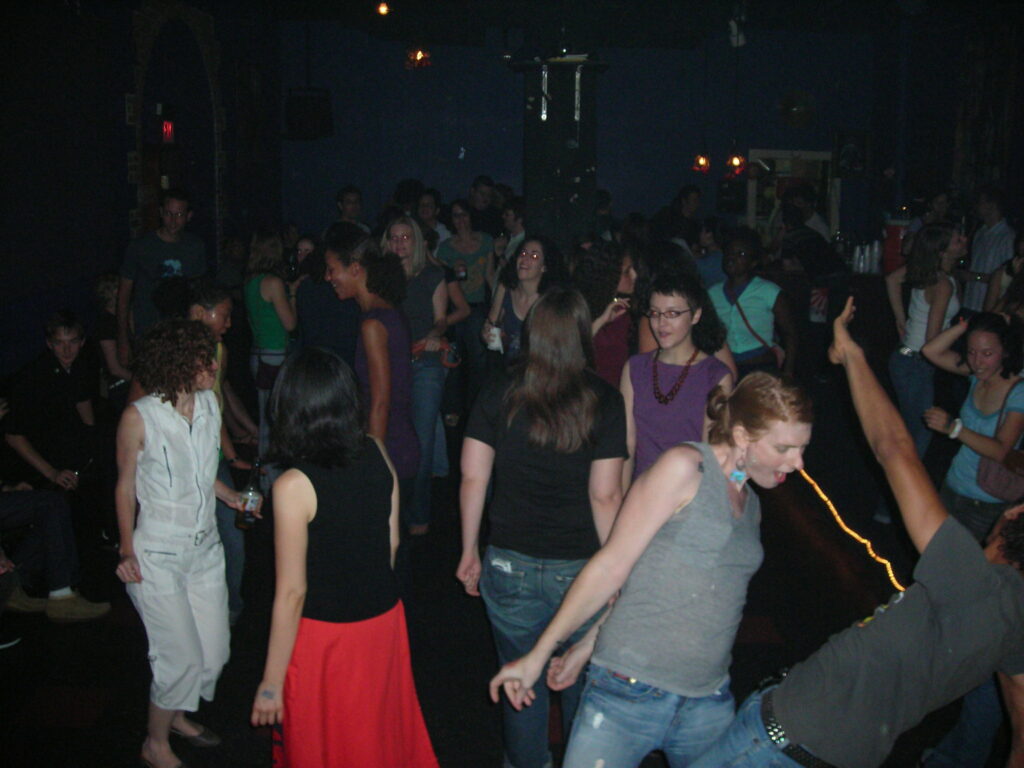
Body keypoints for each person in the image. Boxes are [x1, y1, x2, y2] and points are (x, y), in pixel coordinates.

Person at [687, 298, 1024, 768]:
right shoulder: (1017, 627)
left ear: (1009, 519)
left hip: (782, 738)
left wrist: (852, 356)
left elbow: (895, 449)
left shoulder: (972, 580)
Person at [489, 370, 812, 768]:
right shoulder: (684, 467)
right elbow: (613, 564)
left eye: (801, 449)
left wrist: (587, 642)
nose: (797, 463)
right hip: (628, 691)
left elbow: (655, 578)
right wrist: (539, 655)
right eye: (784, 448)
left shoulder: (752, 505)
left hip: (707, 699)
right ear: (743, 436)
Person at [457, 288, 628, 768]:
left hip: (509, 562)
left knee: (519, 678)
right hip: (580, 571)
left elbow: (473, 476)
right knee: (579, 680)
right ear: (581, 338)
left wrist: (469, 549)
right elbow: (605, 495)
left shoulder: (498, 389)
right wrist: (617, 570)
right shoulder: (605, 400)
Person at [250, 348, 438, 768]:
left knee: (328, 742)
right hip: (383, 621)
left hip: (327, 638)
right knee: (377, 733)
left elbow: (293, 593)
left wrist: (270, 682)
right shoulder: (374, 451)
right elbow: (391, 545)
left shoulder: (292, 486)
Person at [115, 319, 255, 768]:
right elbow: (124, 487)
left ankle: (174, 714)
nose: (213, 365)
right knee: (178, 661)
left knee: (212, 655)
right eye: (203, 358)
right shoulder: (140, 416)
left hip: (205, 551)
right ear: (178, 363)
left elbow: (201, 473)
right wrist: (125, 550)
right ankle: (155, 744)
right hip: (157, 555)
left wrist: (229, 495)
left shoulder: (210, 406)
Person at [324, 224, 420, 523]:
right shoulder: (386, 313)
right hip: (400, 446)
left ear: (355, 269)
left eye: (331, 269)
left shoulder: (373, 324)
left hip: (390, 449)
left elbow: (380, 402)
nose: (328, 278)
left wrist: (373, 464)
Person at [622, 267, 732, 488]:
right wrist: (623, 501)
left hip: (688, 499)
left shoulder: (715, 375)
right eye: (655, 313)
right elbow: (628, 445)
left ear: (696, 315)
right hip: (641, 496)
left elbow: (713, 457)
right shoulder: (635, 368)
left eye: (672, 314)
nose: (661, 323)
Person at [921, 312, 1024, 542]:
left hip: (986, 502)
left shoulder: (1018, 392)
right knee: (935, 559)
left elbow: (1001, 451)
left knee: (961, 572)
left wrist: (954, 429)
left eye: (987, 353)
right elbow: (930, 351)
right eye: (971, 352)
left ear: (1005, 352)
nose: (977, 361)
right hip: (953, 483)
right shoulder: (977, 375)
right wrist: (967, 325)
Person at [388, 216, 448, 536]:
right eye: (394, 237)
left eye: (405, 237)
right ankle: (395, 511)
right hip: (391, 363)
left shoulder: (432, 274)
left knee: (422, 444)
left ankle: (419, 514)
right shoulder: (382, 277)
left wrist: (435, 334)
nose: (400, 243)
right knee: (393, 441)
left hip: (424, 361)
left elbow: (441, 319)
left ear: (417, 242)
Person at [884, 224, 964, 458]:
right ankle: (905, 488)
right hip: (915, 364)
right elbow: (932, 341)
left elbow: (891, 280)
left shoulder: (928, 272)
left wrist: (901, 320)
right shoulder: (942, 284)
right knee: (919, 434)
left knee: (912, 430)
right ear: (942, 251)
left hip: (907, 360)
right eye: (958, 240)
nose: (964, 241)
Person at [117, 188, 207, 367]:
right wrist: (123, 339)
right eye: (168, 214)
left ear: (189, 216)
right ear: (160, 213)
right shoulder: (141, 247)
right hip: (148, 334)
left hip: (182, 334)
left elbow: (200, 294)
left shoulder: (195, 247)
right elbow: (123, 297)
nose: (173, 221)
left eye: (179, 214)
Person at [244, 229, 304, 483]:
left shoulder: (250, 281)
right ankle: (273, 483)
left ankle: (266, 481)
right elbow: (290, 324)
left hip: (258, 353)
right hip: (275, 356)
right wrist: (294, 294)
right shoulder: (272, 282)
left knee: (266, 418)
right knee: (277, 422)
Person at [709, 227, 798, 378]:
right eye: (729, 253)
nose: (732, 258)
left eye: (741, 254)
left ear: (753, 262)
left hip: (760, 369)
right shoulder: (712, 294)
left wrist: (788, 372)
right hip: (725, 368)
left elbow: (790, 334)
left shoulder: (769, 292)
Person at [436, 198, 495, 409]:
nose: (460, 219)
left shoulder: (485, 241)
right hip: (455, 306)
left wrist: (499, 302)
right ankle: (456, 408)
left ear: (471, 216)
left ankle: (476, 407)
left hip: (478, 305)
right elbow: (442, 281)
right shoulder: (446, 248)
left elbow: (490, 275)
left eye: (464, 214)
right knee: (455, 358)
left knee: (478, 360)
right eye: (455, 215)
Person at [483, 235, 564, 366]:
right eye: (524, 253)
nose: (525, 259)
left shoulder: (551, 299)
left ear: (544, 267)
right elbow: (492, 325)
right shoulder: (505, 288)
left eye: (534, 256)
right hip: (510, 367)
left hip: (541, 369)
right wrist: (487, 334)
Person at [573, 240, 638, 387]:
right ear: (609, 274)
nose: (634, 275)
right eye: (627, 271)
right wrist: (601, 321)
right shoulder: (579, 308)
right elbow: (569, 356)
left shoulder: (627, 310)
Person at [962, 185, 1016, 312]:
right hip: (970, 302)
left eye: (979, 202)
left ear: (992, 205)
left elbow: (1008, 279)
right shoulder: (980, 232)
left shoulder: (1007, 237)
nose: (976, 207)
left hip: (988, 306)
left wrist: (974, 277)